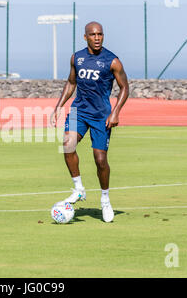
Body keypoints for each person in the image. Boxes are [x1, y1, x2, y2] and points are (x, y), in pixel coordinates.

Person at [50, 21, 129, 223]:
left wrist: (116, 112)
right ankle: (78, 190)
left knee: (100, 160)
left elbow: (125, 88)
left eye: (100, 34)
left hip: (101, 116)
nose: (97, 38)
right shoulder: (77, 58)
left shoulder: (113, 61)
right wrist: (59, 106)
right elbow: (71, 82)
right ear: (85, 37)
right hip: (79, 111)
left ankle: (105, 199)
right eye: (93, 35)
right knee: (67, 145)